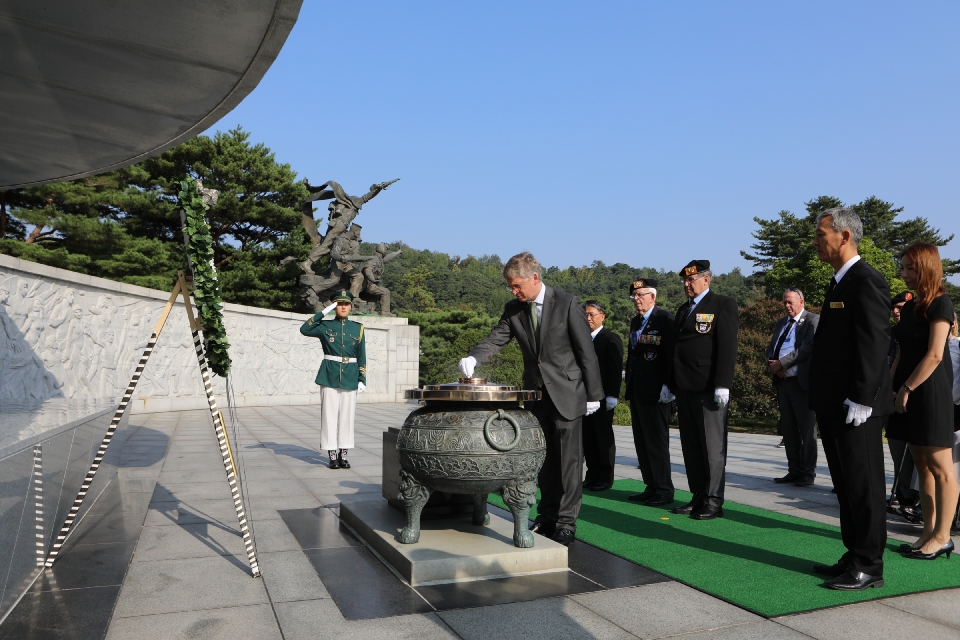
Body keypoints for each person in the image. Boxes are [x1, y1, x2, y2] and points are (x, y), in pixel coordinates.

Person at [459, 252, 603, 546]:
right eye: (510, 287)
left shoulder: (567, 303)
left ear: (534, 278)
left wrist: (594, 394)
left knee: (569, 464)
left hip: (568, 394)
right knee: (543, 461)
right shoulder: (514, 309)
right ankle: (547, 516)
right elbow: (496, 338)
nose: (514, 291)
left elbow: (585, 351)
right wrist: (473, 357)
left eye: (517, 285)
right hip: (537, 397)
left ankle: (566, 522)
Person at [808, 207, 894, 591]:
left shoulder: (866, 280)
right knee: (845, 483)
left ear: (844, 236)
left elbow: (874, 345)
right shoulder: (838, 281)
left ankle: (870, 563)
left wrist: (862, 398)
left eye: (821, 233)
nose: (816, 241)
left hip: (856, 405)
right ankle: (854, 551)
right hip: (834, 402)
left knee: (864, 484)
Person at [888, 243, 957, 560]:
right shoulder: (913, 304)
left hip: (929, 394)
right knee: (921, 466)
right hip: (906, 392)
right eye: (903, 268)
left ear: (926, 267)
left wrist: (906, 388)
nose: (904, 274)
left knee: (941, 468)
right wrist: (890, 386)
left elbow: (934, 355)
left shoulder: (941, 303)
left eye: (909, 268)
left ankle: (943, 536)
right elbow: (902, 349)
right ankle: (928, 531)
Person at [668, 260, 739, 520]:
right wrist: (669, 382)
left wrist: (723, 383)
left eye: (692, 279)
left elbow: (727, 346)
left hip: (709, 388)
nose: (687, 284)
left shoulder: (722, 304)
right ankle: (698, 495)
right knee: (691, 446)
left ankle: (713, 500)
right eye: (685, 280)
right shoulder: (683, 309)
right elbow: (676, 349)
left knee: (712, 447)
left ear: (706, 279)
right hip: (684, 387)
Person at [623, 278, 677, 506]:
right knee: (642, 441)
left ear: (652, 296)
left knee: (656, 441)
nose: (636, 300)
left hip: (657, 390)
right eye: (634, 296)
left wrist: (669, 385)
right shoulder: (636, 321)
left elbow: (672, 354)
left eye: (640, 295)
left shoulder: (664, 319)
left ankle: (664, 489)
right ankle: (651, 485)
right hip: (638, 388)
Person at [300, 289, 367, 469]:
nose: (343, 307)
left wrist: (362, 379)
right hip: (329, 374)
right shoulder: (325, 326)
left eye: (346, 304)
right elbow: (304, 329)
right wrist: (324, 311)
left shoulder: (358, 328)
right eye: (339, 304)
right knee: (329, 417)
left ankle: (343, 455)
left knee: (347, 417)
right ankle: (332, 455)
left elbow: (362, 355)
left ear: (351, 306)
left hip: (351, 375)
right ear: (335, 306)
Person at [766, 288, 820, 487]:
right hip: (783, 382)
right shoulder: (782, 322)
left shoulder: (813, 320)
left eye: (790, 302)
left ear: (801, 302)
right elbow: (771, 347)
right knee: (788, 429)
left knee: (806, 430)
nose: (787, 306)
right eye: (784, 302)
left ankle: (807, 472)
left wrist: (783, 363)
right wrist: (773, 365)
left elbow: (807, 347)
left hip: (801, 383)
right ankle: (794, 469)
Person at [886, 291, 922, 522]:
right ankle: (900, 493)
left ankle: (913, 498)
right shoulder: (891, 335)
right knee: (897, 447)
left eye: (902, 307)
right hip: (891, 398)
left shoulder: (921, 334)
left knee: (917, 455)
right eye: (895, 308)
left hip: (916, 399)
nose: (897, 311)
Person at [581, 301, 624, 492]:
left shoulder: (610, 338)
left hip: (603, 397)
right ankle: (592, 475)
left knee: (603, 438)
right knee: (588, 438)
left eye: (592, 314)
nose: (588, 318)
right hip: (584, 397)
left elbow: (615, 370)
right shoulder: (582, 339)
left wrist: (613, 395)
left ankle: (605, 478)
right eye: (586, 315)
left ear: (602, 316)